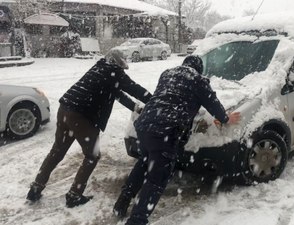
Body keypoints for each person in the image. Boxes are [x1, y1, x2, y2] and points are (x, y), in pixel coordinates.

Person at [113, 55, 241, 225]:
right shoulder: (198, 79)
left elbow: (168, 97)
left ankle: (122, 203)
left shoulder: (167, 74)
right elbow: (212, 103)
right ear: (199, 69)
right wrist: (225, 119)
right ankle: (137, 220)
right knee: (157, 177)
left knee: (145, 162)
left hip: (144, 125)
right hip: (165, 130)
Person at [26, 49, 152, 208]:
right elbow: (135, 89)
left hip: (65, 109)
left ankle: (36, 188)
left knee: (57, 151)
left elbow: (117, 94)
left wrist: (137, 108)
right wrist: (154, 100)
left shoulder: (99, 69)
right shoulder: (114, 73)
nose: (121, 69)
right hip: (81, 116)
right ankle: (74, 195)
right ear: (117, 64)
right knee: (92, 155)